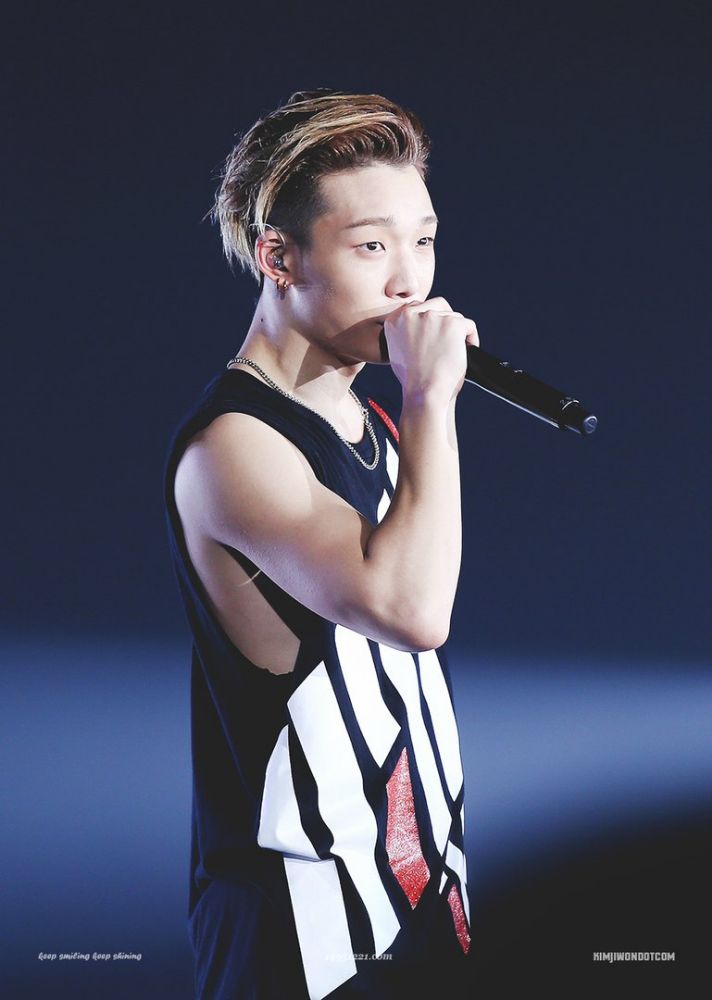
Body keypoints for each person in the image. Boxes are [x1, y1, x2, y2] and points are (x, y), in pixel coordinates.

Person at [163, 88, 479, 999]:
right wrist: (432, 400)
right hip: (303, 936)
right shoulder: (236, 447)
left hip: (415, 905)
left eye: (424, 241)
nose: (410, 281)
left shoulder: (373, 423)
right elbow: (413, 612)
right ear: (279, 257)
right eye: (372, 247)